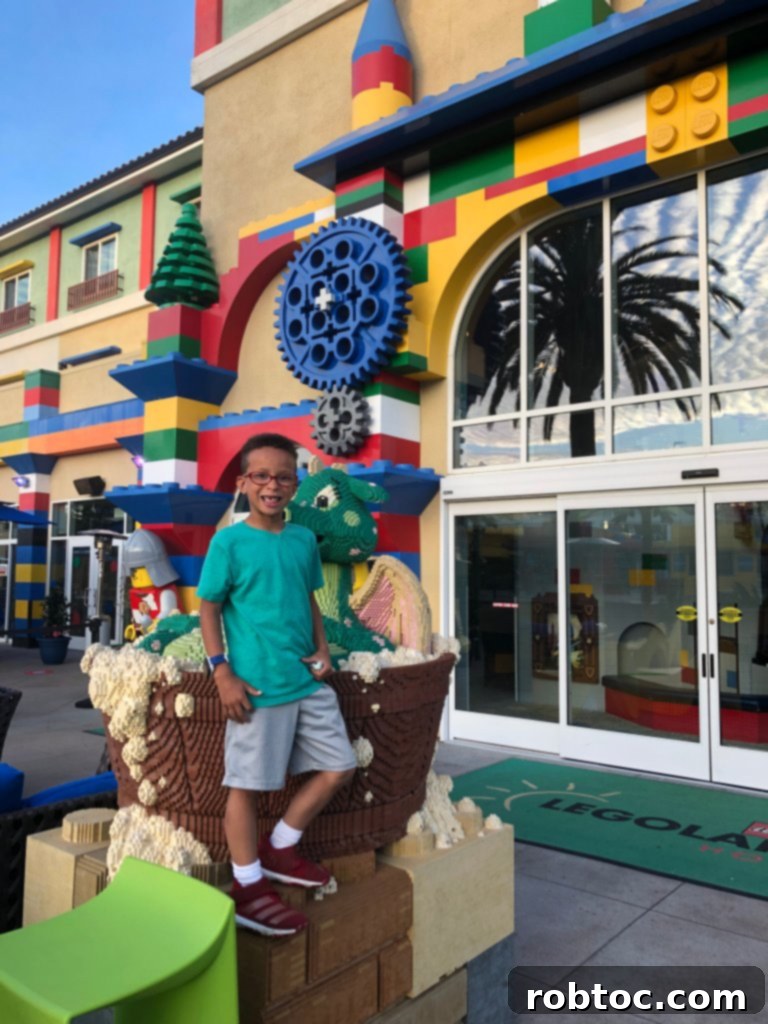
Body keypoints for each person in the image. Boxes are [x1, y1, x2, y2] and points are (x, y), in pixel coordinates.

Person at [198, 432, 356, 936]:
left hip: (304, 680)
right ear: (243, 482)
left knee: (339, 766)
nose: (273, 485)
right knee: (244, 785)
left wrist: (324, 648)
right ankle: (246, 885)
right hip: (257, 687)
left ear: (296, 483)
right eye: (261, 475)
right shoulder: (229, 542)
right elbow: (208, 607)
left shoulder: (303, 539)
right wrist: (221, 670)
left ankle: (281, 846)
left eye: (284, 476)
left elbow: (308, 598)